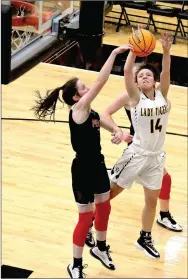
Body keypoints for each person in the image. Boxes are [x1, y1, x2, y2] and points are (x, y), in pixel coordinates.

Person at [31, 44, 133, 278]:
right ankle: (75, 265)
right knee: (86, 217)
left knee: (104, 208)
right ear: (77, 96)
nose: (88, 88)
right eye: (83, 88)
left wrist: (118, 131)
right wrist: (114, 54)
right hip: (82, 170)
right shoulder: (78, 109)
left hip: (98, 165)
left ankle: (101, 248)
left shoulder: (90, 112)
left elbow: (101, 121)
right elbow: (100, 82)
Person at [106, 32, 174, 259]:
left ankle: (144, 237)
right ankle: (91, 220)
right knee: (112, 193)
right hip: (136, 154)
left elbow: (166, 71)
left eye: (148, 75)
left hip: (156, 156)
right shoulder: (135, 98)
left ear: (154, 81)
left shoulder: (162, 94)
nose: (144, 77)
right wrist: (133, 53)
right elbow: (127, 71)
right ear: (136, 82)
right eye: (141, 75)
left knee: (151, 201)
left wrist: (166, 50)